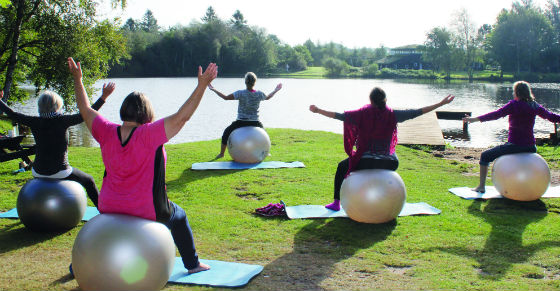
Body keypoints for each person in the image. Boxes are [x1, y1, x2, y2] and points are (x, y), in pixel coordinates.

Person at [68, 57, 217, 274]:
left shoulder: (106, 130)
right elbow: (182, 117)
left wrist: (78, 79)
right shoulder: (149, 135)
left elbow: (84, 108)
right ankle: (192, 265)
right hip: (145, 209)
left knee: (107, 231)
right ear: (146, 113)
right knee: (179, 216)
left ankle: (78, 267)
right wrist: (201, 86)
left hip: (108, 204)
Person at [310, 87, 454, 211]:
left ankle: (336, 203)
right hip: (389, 163)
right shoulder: (393, 114)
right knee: (390, 155)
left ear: (371, 100)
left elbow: (340, 116)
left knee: (342, 167)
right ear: (384, 99)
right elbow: (416, 112)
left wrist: (318, 110)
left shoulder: (362, 114)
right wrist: (441, 103)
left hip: (365, 161)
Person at [0, 83, 115, 207]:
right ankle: (102, 209)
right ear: (57, 106)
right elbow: (87, 113)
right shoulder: (62, 120)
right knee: (89, 180)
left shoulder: (34, 121)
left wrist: (0, 101)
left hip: (37, 171)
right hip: (60, 171)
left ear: (40, 106)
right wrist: (103, 97)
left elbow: (12, 113)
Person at [463, 81, 560, 193]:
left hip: (515, 145)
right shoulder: (535, 106)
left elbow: (496, 115)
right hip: (531, 147)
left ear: (517, 93)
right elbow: (551, 117)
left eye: (514, 92)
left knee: (485, 156)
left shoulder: (514, 105)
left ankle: (481, 186)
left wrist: (475, 119)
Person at [208, 72, 282, 159]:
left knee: (226, 133)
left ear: (245, 82)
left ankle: (221, 154)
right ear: (255, 82)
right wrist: (276, 90)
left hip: (241, 122)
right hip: (255, 122)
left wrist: (213, 89)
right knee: (264, 134)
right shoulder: (259, 93)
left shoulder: (240, 93)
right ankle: (266, 152)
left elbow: (226, 97)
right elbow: (268, 97)